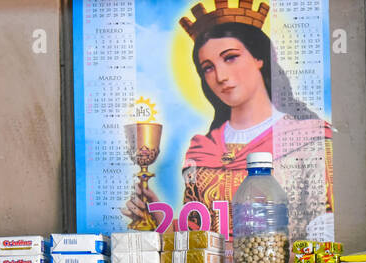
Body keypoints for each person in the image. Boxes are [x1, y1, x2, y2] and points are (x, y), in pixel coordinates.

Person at [122, 10, 334, 241]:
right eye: (208, 67)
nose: (221, 76)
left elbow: (324, 227)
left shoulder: (309, 140)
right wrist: (160, 221)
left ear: (258, 57)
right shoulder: (202, 150)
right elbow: (198, 236)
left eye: (230, 57)